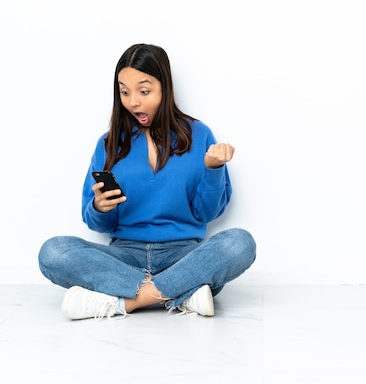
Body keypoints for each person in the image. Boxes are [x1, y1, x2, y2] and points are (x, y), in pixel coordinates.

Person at [38, 43, 256, 321]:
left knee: (239, 243)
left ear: (165, 87)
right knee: (54, 251)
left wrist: (213, 170)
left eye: (144, 91)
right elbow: (95, 224)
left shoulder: (199, 135)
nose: (133, 102)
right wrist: (100, 208)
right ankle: (183, 292)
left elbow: (207, 213)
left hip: (184, 254)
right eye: (124, 92)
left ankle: (123, 302)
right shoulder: (109, 143)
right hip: (124, 256)